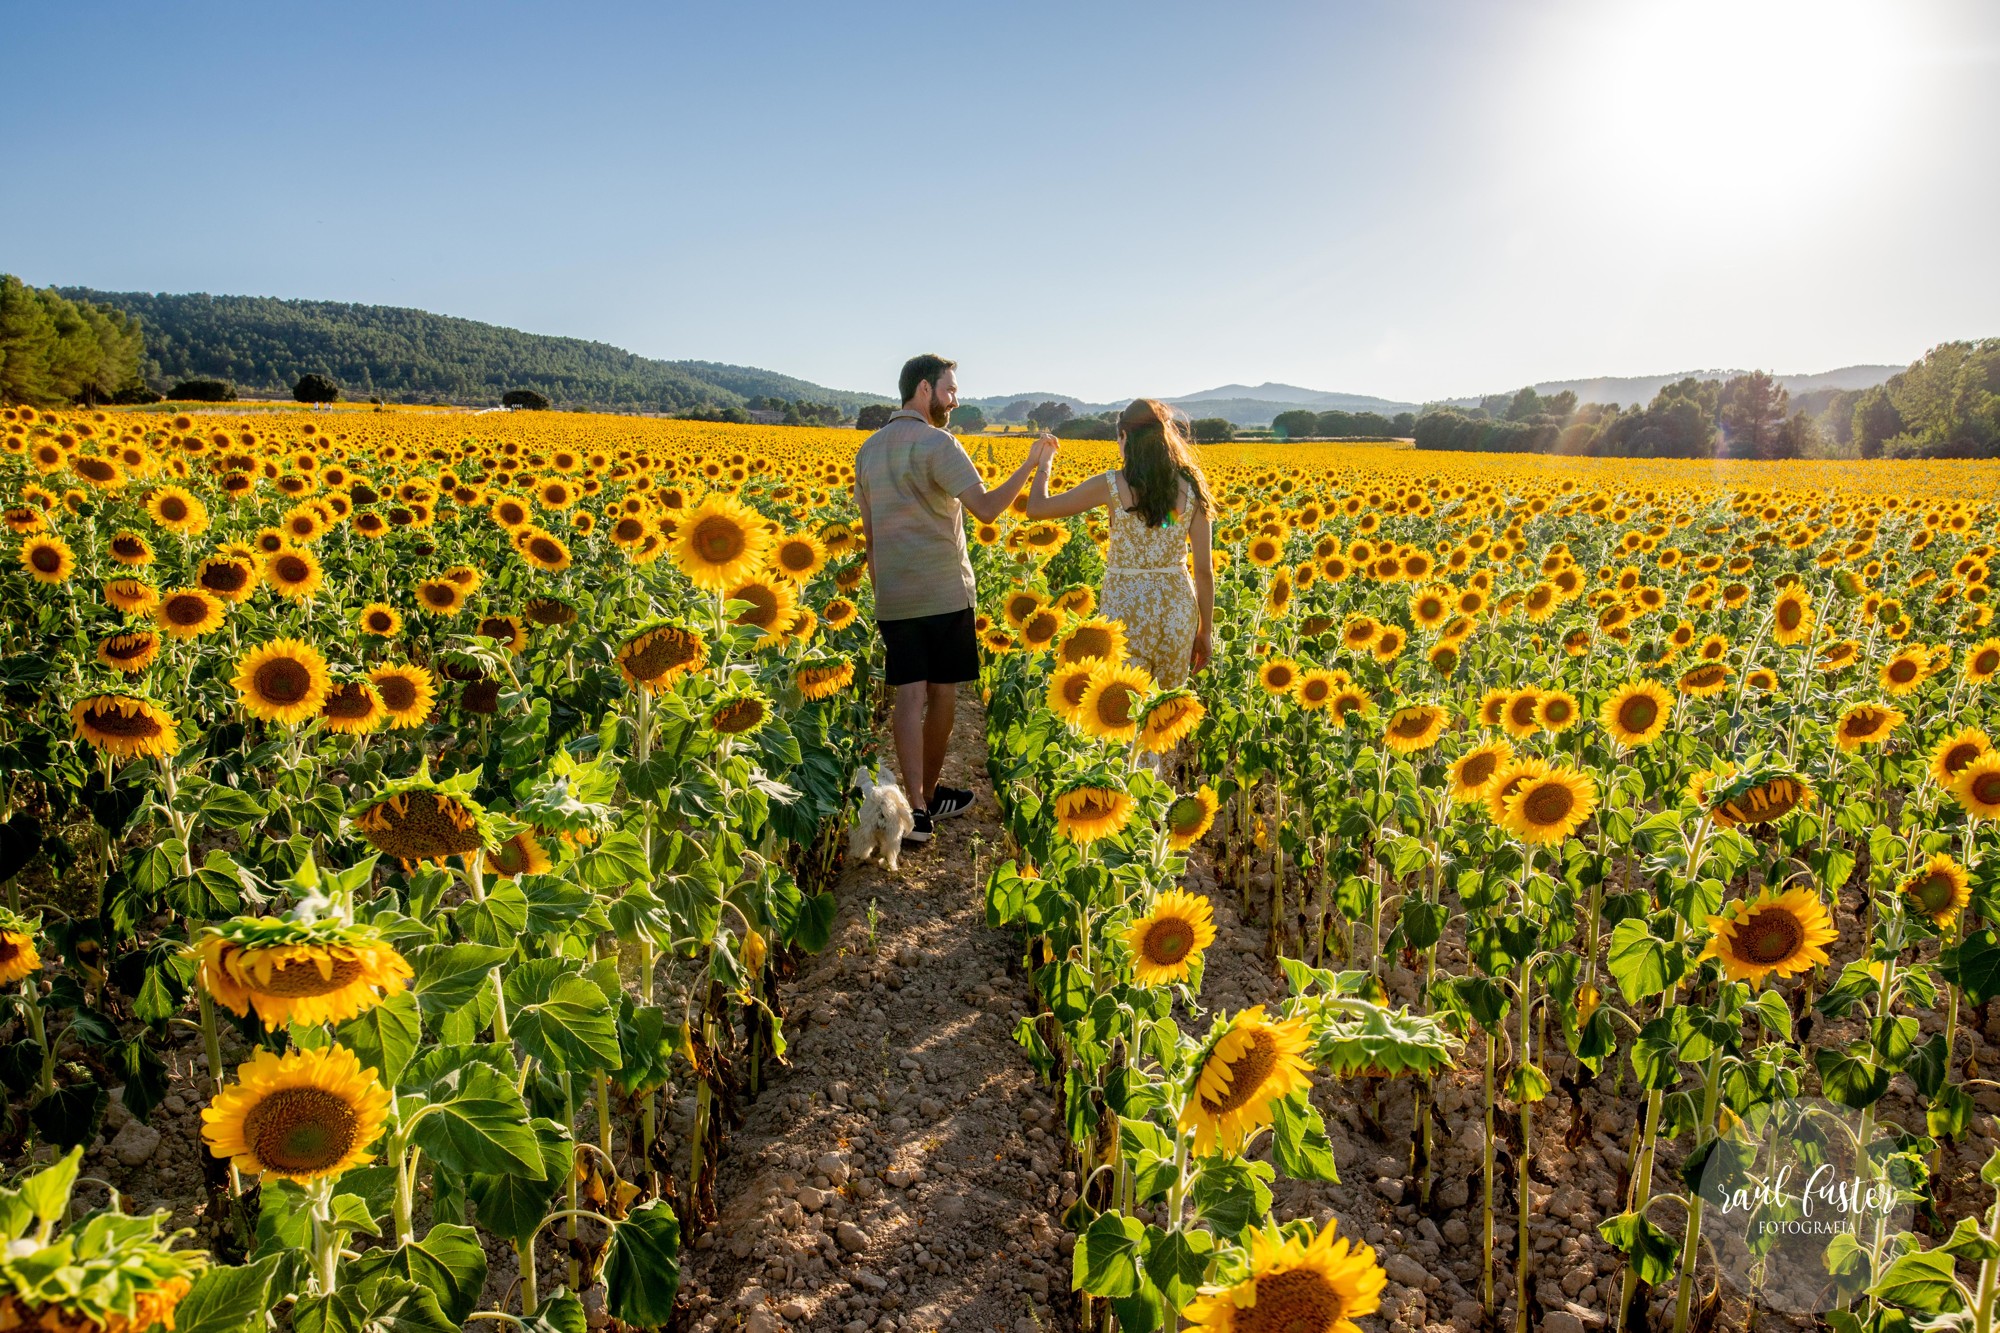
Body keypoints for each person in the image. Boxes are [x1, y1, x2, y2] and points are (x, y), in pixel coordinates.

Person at [854, 353, 1057, 844]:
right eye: (950, 390)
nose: (955, 400)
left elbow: (871, 536)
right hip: (944, 589)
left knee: (909, 695)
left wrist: (884, 594)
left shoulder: (868, 450)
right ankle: (926, 797)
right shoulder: (937, 442)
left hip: (895, 593)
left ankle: (916, 808)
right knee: (942, 692)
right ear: (924, 389)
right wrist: (1031, 464)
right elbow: (986, 509)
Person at [1024, 398, 1215, 688]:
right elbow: (1203, 571)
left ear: (1125, 436)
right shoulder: (1191, 485)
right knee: (1168, 706)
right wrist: (1205, 631)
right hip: (1176, 609)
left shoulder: (1111, 485)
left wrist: (1044, 464)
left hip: (1125, 609)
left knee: (1121, 703)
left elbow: (1037, 508)